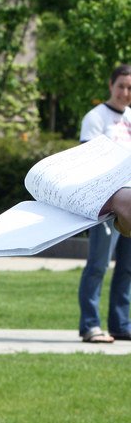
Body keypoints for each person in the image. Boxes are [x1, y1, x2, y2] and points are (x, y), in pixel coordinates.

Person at [78, 63, 131, 343]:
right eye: (121, 86)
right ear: (111, 86)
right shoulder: (95, 118)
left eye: (130, 88)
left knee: (127, 267)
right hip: (106, 206)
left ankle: (121, 325)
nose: (125, 92)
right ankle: (90, 326)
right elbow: (88, 160)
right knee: (98, 264)